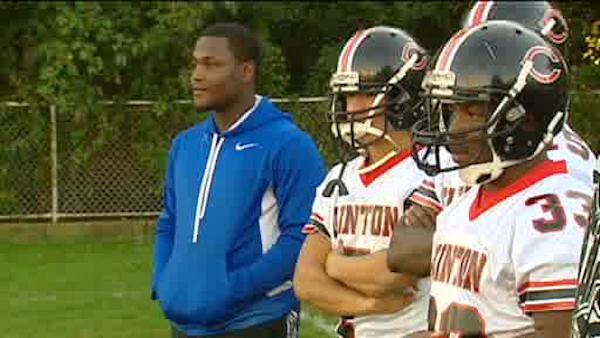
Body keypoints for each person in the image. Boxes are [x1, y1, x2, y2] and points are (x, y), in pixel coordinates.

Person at [400, 20, 593, 337]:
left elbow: (562, 333)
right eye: (451, 110)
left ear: (526, 120)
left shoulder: (549, 216)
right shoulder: (467, 202)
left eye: (472, 112)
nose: (453, 129)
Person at [151, 22, 326, 338]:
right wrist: (165, 281)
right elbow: (169, 222)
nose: (196, 74)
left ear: (246, 71)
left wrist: (233, 288)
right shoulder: (186, 145)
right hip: (184, 326)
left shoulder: (288, 145)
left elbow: (303, 237)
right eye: (195, 63)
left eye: (212, 64)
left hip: (256, 322)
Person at [292, 25, 432, 337]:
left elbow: (395, 274)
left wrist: (335, 265)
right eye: (346, 96)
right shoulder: (339, 177)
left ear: (400, 100)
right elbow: (306, 279)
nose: (349, 108)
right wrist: (370, 306)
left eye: (362, 94)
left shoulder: (431, 172)